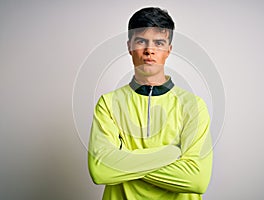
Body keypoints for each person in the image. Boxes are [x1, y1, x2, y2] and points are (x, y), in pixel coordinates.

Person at [88, 7, 213, 200]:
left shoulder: (193, 106)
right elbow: (101, 170)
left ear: (168, 50)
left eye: (159, 43)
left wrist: (124, 159)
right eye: (141, 41)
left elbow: (197, 179)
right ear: (129, 46)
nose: (149, 50)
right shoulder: (108, 104)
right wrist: (173, 153)